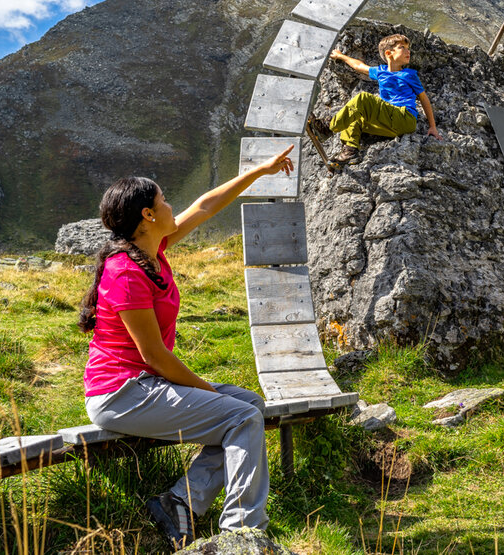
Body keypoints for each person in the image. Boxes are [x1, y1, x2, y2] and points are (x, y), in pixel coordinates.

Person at [77, 145, 295, 550]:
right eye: (163, 200)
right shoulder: (124, 272)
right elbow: (154, 356)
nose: (171, 205)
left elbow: (206, 205)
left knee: (251, 405)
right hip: (121, 394)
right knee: (242, 418)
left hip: (146, 385)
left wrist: (260, 171)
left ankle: (180, 502)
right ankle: (243, 533)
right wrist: (206, 390)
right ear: (147, 214)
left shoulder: (151, 251)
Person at [315, 33, 442, 165]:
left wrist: (432, 126)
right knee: (355, 116)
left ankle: (327, 128)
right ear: (388, 53)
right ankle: (350, 152)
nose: (408, 51)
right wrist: (341, 56)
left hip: (405, 118)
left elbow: (424, 98)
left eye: (408, 48)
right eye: (402, 47)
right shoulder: (381, 71)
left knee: (363, 98)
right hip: (388, 123)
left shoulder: (409, 75)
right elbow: (359, 66)